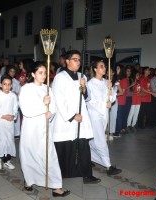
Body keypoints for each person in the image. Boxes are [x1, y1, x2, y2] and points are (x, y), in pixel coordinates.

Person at [19, 62, 70, 197]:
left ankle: (56, 187)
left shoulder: (47, 88)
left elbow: (53, 105)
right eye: (40, 72)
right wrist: (43, 105)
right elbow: (26, 110)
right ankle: (29, 181)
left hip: (45, 127)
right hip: (31, 129)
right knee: (31, 155)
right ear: (33, 74)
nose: (44, 75)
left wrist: (50, 112)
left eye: (45, 72)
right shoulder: (26, 89)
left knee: (49, 155)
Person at [52, 50, 101, 183]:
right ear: (67, 61)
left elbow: (87, 96)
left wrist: (84, 87)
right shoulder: (60, 77)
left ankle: (87, 175)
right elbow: (58, 99)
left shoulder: (81, 76)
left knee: (84, 146)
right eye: (75, 59)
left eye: (79, 60)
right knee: (66, 147)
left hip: (81, 118)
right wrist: (72, 116)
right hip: (66, 119)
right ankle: (63, 174)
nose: (78, 62)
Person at [86, 60, 122, 176]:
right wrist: (103, 105)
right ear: (95, 69)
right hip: (95, 114)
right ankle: (108, 166)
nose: (104, 68)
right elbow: (90, 101)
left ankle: (88, 157)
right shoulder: (90, 83)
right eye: (101, 66)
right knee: (101, 139)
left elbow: (111, 100)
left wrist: (110, 89)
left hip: (104, 114)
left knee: (93, 139)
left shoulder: (107, 82)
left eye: (104, 66)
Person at [0, 75, 18, 170]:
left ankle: (7, 161)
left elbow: (15, 108)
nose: (7, 86)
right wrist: (3, 116)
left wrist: (13, 115)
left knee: (10, 140)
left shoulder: (13, 96)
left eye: (9, 84)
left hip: (9, 122)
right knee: (2, 141)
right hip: (0, 122)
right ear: (0, 85)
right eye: (5, 84)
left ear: (11, 85)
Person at [6, 66, 21, 137]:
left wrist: (16, 93)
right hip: (8, 100)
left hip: (15, 100)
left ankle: (17, 133)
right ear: (8, 72)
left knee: (15, 116)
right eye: (11, 71)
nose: (12, 73)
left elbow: (19, 91)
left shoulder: (16, 81)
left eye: (13, 72)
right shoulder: (5, 80)